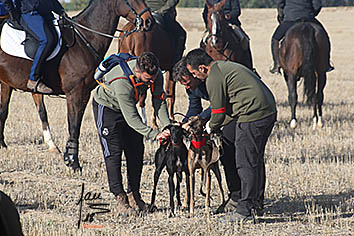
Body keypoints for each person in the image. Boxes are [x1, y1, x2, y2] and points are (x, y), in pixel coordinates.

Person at [185, 48, 277, 223]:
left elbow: (218, 112)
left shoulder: (213, 77)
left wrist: (209, 128)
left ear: (203, 68)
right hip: (267, 110)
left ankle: (244, 211)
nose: (195, 77)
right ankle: (256, 203)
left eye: (194, 73)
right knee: (254, 159)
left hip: (252, 115)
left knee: (245, 161)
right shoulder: (223, 67)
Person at [92, 52, 171, 216]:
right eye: (147, 79)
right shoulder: (122, 83)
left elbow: (158, 100)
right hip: (108, 109)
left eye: (153, 79)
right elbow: (132, 119)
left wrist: (168, 127)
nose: (151, 82)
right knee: (113, 153)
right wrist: (154, 134)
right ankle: (120, 198)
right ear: (137, 72)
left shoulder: (155, 75)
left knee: (136, 150)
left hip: (127, 108)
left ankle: (134, 195)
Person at [172, 57, 241, 214]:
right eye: (183, 85)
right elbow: (194, 107)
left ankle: (242, 196)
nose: (187, 86)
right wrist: (184, 124)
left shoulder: (210, 79)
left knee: (231, 150)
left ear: (193, 73)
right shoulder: (191, 86)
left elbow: (217, 105)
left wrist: (201, 119)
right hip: (219, 114)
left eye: (187, 82)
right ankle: (236, 194)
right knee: (225, 154)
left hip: (233, 110)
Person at [0, 0, 67, 94]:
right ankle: (33, 79)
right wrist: (12, 12)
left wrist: (60, 10)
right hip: (30, 13)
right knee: (47, 40)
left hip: (47, 12)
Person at [270, 0, 334, 74]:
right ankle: (326, 63)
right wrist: (310, 14)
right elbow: (317, 5)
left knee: (275, 39)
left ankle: (276, 64)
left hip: (290, 18)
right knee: (324, 36)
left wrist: (282, 16)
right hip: (308, 18)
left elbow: (280, 4)